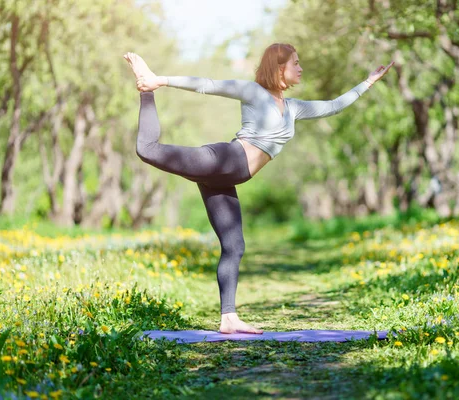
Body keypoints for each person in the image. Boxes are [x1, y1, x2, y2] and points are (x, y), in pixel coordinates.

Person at [123, 43, 393, 334]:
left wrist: (368, 82)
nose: (301, 68)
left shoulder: (293, 108)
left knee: (234, 245)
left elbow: (332, 106)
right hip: (223, 160)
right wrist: (159, 81)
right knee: (147, 149)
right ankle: (145, 89)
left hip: (227, 177)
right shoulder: (253, 93)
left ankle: (228, 318)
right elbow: (208, 85)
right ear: (280, 68)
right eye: (296, 63)